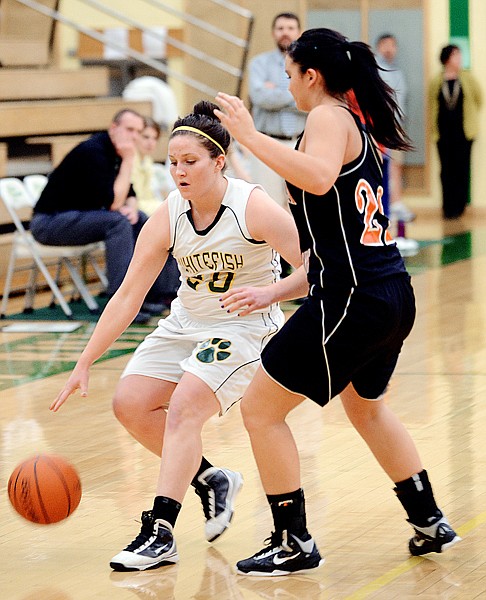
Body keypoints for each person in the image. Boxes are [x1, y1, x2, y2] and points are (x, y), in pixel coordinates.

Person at [215, 27, 461, 576]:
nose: (287, 85)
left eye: (290, 75)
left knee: (260, 410)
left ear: (312, 75)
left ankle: (292, 541)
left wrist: (250, 138)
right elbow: (327, 252)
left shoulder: (328, 118)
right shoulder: (347, 125)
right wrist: (275, 290)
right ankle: (428, 519)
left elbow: (321, 180)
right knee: (365, 406)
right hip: (387, 291)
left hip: (358, 297)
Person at [49, 101, 303, 572]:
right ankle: (211, 481)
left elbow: (316, 268)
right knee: (130, 403)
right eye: (172, 162)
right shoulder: (169, 213)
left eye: (190, 162)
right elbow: (127, 296)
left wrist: (269, 293)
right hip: (186, 322)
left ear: (218, 162)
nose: (179, 172)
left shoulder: (252, 205)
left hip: (243, 326)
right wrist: (84, 361)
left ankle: (160, 532)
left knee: (184, 408)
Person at [30, 109, 172, 323]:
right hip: (50, 223)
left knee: (141, 219)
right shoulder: (93, 152)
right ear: (114, 128)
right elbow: (114, 202)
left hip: (80, 218)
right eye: (129, 129)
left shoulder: (115, 151)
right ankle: (121, 305)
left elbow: (129, 193)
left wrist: (132, 206)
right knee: (118, 223)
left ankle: (159, 295)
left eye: (138, 131)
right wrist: (128, 160)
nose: (134, 136)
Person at [248, 12, 306, 211]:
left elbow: (314, 104)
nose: (285, 33)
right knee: (269, 206)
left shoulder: (309, 66)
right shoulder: (258, 63)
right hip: (267, 144)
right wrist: (298, 95)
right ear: (273, 33)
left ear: (299, 32)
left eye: (290, 28)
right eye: (281, 29)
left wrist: (276, 94)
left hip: (299, 145)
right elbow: (259, 97)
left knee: (297, 207)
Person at [429, 44, 482, 220]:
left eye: (459, 55)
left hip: (463, 133)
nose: (458, 59)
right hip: (443, 134)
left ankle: (459, 208)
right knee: (446, 171)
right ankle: (448, 207)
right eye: (455, 55)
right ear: (446, 59)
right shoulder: (437, 80)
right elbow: (432, 104)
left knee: (461, 169)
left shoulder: (466, 78)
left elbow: (479, 98)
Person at [132, 116, 180, 303]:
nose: (151, 143)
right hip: (138, 213)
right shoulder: (131, 160)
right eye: (146, 137)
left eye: (154, 138)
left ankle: (172, 288)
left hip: (147, 208)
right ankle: (161, 292)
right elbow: (137, 199)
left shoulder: (146, 161)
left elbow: (149, 197)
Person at [375, 33, 414, 224]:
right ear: (378, 47)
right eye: (385, 45)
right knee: (382, 166)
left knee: (396, 166)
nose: (389, 49)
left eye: (392, 45)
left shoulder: (397, 72)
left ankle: (396, 203)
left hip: (396, 126)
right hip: (380, 126)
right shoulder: (375, 70)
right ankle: (382, 206)